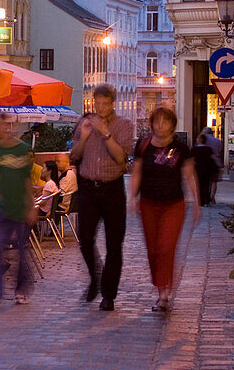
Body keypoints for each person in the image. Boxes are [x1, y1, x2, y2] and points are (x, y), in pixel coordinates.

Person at [128, 107, 201, 312]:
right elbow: (136, 173)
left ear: (172, 124)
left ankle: (164, 295)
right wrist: (132, 197)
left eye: (165, 121)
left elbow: (190, 175)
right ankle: (161, 285)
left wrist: (196, 202)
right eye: (157, 121)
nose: (160, 125)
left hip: (173, 205)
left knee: (166, 248)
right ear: (151, 124)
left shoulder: (181, 148)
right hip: (148, 204)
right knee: (153, 250)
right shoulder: (143, 146)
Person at [69, 83, 133, 311]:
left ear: (113, 103)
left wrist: (106, 134)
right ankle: (95, 275)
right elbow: (74, 155)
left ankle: (108, 294)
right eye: (98, 103)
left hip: (112, 189)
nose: (101, 108)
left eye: (106, 104)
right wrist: (85, 137)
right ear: (92, 101)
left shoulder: (124, 125)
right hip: (88, 189)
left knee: (114, 244)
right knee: (85, 239)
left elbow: (120, 159)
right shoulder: (83, 123)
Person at [0, 117, 35, 311]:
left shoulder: (22, 149)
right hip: (1, 208)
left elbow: (27, 180)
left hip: (20, 206)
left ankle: (22, 288)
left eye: (2, 125)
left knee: (22, 250)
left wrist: (30, 206)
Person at [191, 134, 216, 206]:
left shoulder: (194, 149)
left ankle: (200, 201)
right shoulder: (208, 149)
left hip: (198, 169)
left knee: (199, 185)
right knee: (206, 184)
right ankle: (207, 200)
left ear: (198, 140)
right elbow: (212, 158)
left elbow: (191, 159)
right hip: (207, 169)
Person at [202, 127, 224, 204]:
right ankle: (213, 197)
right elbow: (220, 150)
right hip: (216, 162)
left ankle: (206, 197)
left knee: (206, 180)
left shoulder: (203, 140)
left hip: (205, 163)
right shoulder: (218, 141)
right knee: (214, 181)